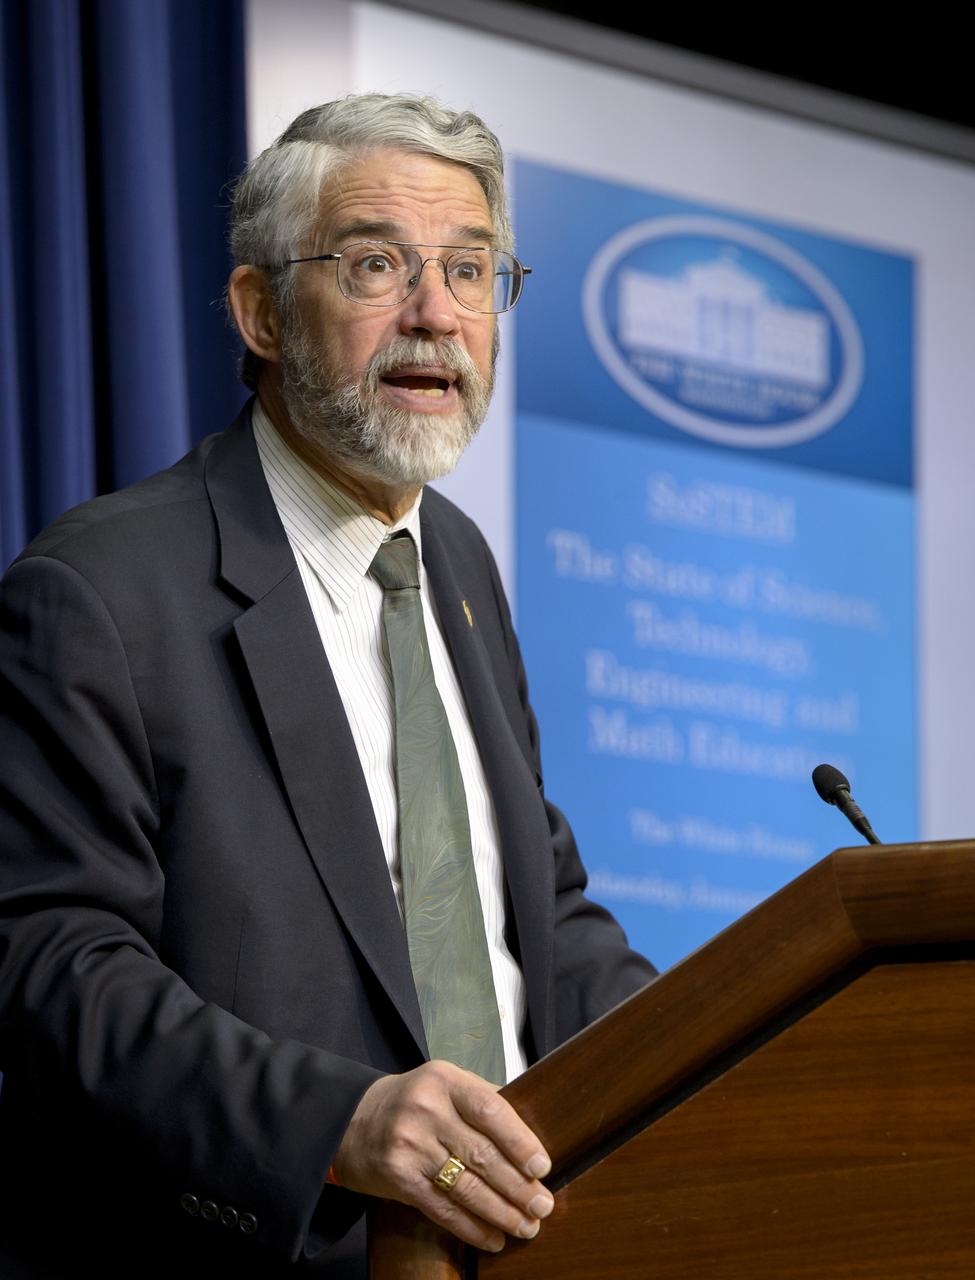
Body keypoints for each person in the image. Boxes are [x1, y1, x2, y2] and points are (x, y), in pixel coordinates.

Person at [0, 93, 655, 1277]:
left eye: (470, 270)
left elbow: (537, 919)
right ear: (260, 310)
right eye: (374, 265)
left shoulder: (457, 563)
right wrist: (335, 1127)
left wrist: (742, 1036)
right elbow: (49, 962)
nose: (435, 316)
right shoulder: (102, 587)